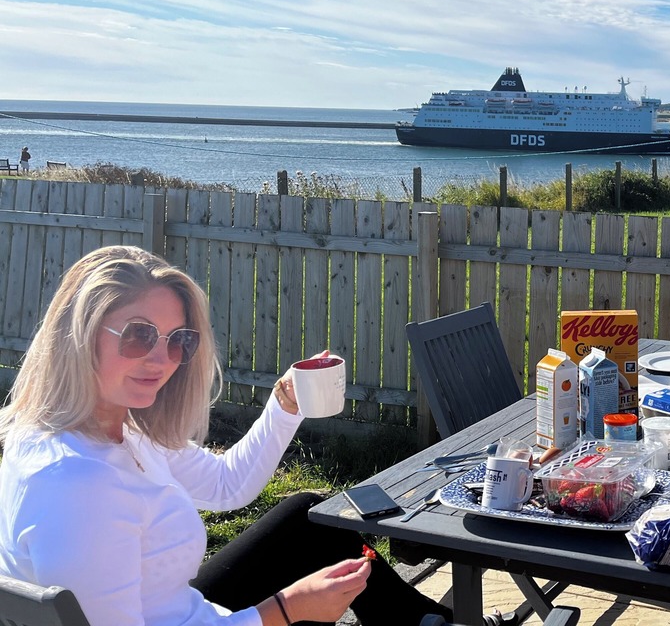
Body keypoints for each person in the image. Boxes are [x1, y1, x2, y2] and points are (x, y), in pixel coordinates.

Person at [0, 245, 459, 626]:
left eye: (178, 340)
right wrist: (285, 610)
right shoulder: (79, 484)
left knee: (309, 518)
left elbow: (226, 486)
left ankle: (422, 619)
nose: (162, 360)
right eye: (138, 335)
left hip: (187, 609)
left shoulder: (117, 432)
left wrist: (284, 407)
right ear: (78, 334)